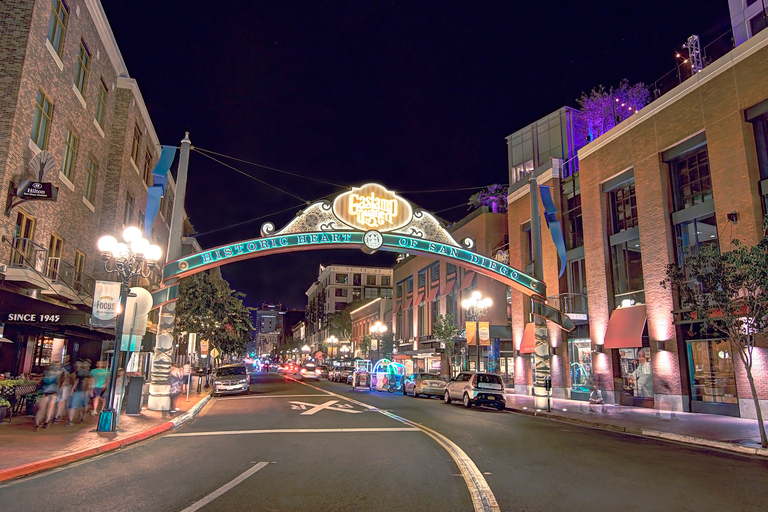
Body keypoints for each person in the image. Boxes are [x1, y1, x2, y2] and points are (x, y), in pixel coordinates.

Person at [35, 364, 61, 430]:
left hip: (45, 392)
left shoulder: (45, 375)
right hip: (53, 392)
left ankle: (38, 423)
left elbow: (40, 383)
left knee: (42, 409)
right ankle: (47, 421)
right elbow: (58, 384)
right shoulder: (57, 375)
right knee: (50, 407)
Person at [67, 361, 91, 426]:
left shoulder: (86, 373)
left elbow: (87, 382)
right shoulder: (80, 373)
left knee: (80, 406)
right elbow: (77, 381)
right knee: (78, 406)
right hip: (80, 390)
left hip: (82, 390)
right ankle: (72, 420)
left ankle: (76, 419)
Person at [55, 356, 73, 423]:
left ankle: (57, 416)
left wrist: (61, 387)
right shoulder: (63, 369)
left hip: (64, 387)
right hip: (62, 387)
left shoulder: (66, 369)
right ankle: (59, 414)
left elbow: (66, 378)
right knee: (61, 402)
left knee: (60, 402)